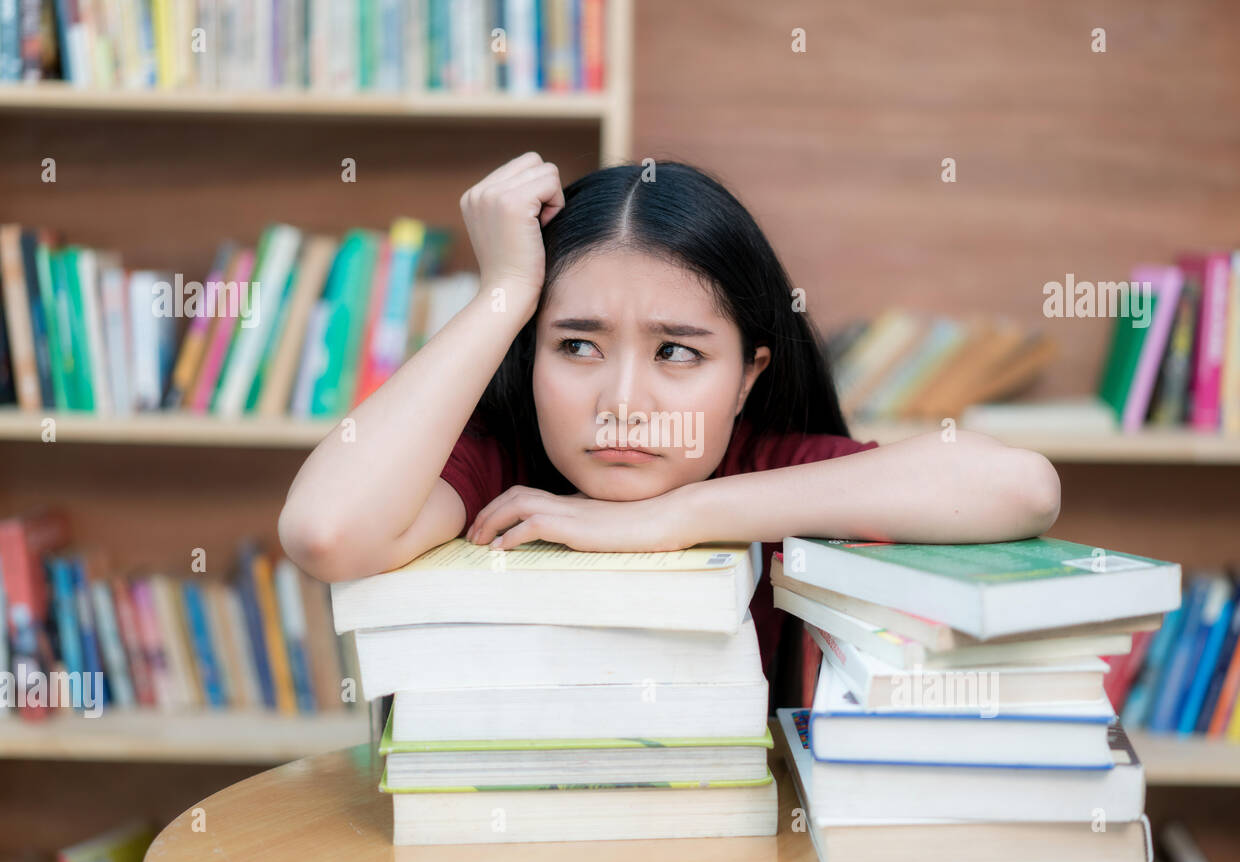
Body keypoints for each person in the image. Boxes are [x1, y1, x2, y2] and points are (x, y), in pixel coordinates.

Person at [278, 152, 1061, 709]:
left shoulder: (766, 470)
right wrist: (504, 290)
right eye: (576, 345)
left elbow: (1022, 487)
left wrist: (667, 518)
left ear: (750, 374)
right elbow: (326, 530)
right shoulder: (504, 463)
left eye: (676, 351)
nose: (623, 402)